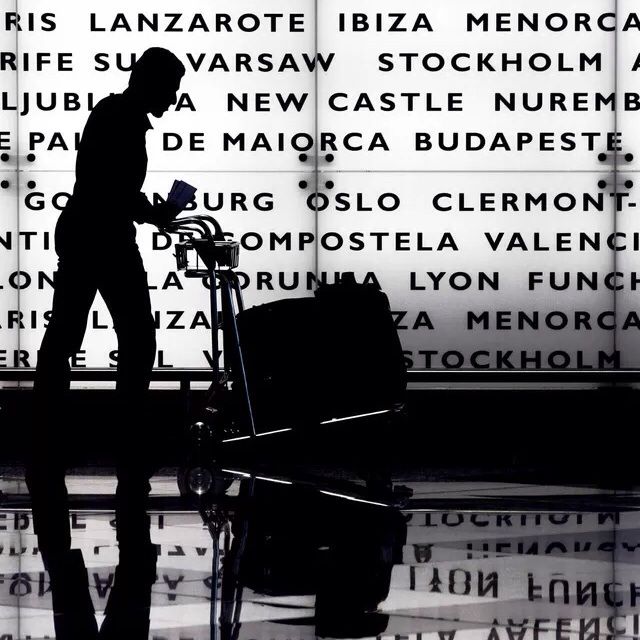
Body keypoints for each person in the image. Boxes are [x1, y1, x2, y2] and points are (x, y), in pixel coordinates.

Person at [25, 47, 187, 639]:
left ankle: (47, 434)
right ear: (150, 82)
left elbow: (104, 184)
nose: (172, 99)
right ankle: (123, 434)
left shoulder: (112, 115)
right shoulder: (120, 120)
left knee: (67, 334)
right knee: (132, 336)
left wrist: (143, 212)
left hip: (94, 235)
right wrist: (152, 212)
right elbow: (111, 187)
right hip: (105, 238)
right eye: (170, 87)